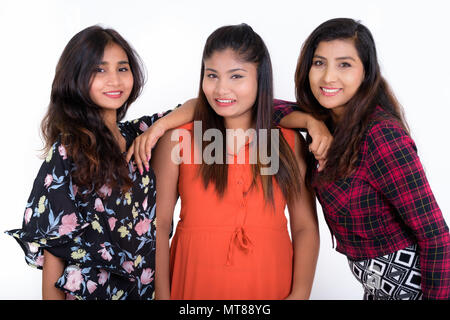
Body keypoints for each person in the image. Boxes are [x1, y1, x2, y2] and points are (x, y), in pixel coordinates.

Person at [5, 25, 195, 300]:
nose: (114, 80)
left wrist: (157, 129)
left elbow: (199, 105)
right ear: (77, 78)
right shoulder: (68, 150)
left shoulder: (138, 135)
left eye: (122, 68)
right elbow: (55, 251)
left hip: (142, 292)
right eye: (100, 70)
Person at [276, 18, 450, 300]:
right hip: (374, 289)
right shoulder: (327, 122)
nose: (328, 77)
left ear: (366, 72)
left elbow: (436, 237)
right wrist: (310, 121)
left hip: (415, 290)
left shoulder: (381, 136)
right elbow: (264, 108)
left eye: (344, 64)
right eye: (319, 63)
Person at [151, 23, 320, 300]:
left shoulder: (288, 143)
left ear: (259, 79)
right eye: (212, 75)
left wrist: (300, 294)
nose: (221, 89)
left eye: (236, 76)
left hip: (270, 284)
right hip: (193, 285)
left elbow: (304, 227)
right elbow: (158, 226)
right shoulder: (177, 140)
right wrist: (162, 296)